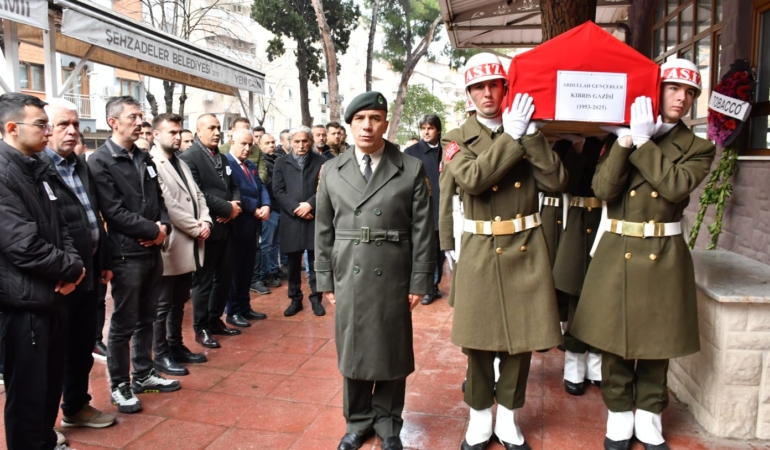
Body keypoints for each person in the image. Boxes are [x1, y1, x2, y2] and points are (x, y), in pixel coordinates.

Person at [570, 58, 716, 450]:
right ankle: (619, 412)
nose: (682, 98)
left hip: (663, 250)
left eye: (690, 92)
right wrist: (624, 142)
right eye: (674, 88)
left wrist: (645, 142)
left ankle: (650, 415)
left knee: (657, 339)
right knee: (614, 337)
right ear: (656, 90)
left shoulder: (699, 147)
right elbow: (603, 189)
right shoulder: (624, 135)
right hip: (618, 246)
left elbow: (674, 186)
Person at [442, 53, 566, 450]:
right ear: (469, 94)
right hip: (480, 247)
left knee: (521, 340)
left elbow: (556, 182)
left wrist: (530, 137)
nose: (486, 93)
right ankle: (479, 417)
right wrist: (511, 138)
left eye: (493, 84)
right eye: (478, 87)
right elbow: (472, 179)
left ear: (506, 88)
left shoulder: (529, 133)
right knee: (479, 341)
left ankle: (509, 418)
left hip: (526, 247)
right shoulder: (456, 138)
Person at [315, 91, 435, 450]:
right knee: (353, 347)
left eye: (375, 118)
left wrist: (420, 279)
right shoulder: (331, 170)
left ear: (385, 123)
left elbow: (422, 230)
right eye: (360, 119)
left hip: (393, 270)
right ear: (350, 125)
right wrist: (324, 278)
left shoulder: (410, 167)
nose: (367, 126)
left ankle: (388, 423)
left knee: (391, 348)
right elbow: (323, 229)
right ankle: (357, 421)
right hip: (348, 269)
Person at [0, 92, 85, 450]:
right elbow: (22, 245)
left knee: (49, 388)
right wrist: (73, 268)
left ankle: (45, 441)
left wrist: (73, 267)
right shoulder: (4, 174)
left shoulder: (38, 168)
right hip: (25, 305)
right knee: (28, 395)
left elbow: (62, 226)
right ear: (12, 128)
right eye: (41, 125)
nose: (49, 132)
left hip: (52, 297)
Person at [89, 96, 179, 414]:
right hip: (126, 254)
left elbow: (160, 200)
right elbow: (113, 211)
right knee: (123, 323)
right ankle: (119, 384)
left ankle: (143, 374)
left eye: (141, 116)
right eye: (133, 116)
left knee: (147, 317)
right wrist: (152, 230)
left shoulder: (143, 157)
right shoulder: (100, 161)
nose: (140, 122)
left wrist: (164, 228)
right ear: (113, 122)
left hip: (152, 250)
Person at [38, 98, 116, 430]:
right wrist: (62, 270)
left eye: (75, 125)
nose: (72, 131)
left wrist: (103, 259)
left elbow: (94, 216)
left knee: (82, 347)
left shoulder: (80, 165)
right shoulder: (37, 167)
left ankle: (76, 406)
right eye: (63, 125)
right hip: (58, 280)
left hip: (88, 273)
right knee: (50, 356)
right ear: (46, 129)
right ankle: (43, 428)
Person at [149, 113, 211, 376]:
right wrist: (196, 227)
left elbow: (198, 195)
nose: (177, 137)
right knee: (163, 304)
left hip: (191, 241)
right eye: (171, 132)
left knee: (179, 300)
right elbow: (169, 204)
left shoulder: (181, 162)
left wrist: (206, 220)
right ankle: (161, 354)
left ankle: (176, 346)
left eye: (179, 132)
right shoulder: (153, 162)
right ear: (156, 135)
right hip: (173, 242)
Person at [179, 114, 243, 349]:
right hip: (208, 228)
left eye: (218, 128)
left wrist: (234, 206)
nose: (217, 132)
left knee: (224, 278)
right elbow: (197, 193)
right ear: (198, 130)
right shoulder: (189, 158)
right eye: (211, 128)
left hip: (228, 227)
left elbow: (234, 186)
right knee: (204, 282)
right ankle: (201, 327)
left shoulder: (222, 157)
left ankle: (215, 319)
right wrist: (226, 208)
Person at [550, 136, 605, 394]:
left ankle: (596, 364)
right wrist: (576, 149)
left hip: (607, 222)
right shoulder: (567, 143)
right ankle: (574, 365)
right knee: (575, 298)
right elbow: (563, 183)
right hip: (576, 223)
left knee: (603, 299)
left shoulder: (618, 141)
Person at [272, 127, 325, 317]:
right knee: (293, 264)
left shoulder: (322, 162)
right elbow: (277, 190)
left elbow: (326, 189)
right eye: (296, 141)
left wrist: (310, 205)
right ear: (290, 143)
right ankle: (295, 299)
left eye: (304, 141)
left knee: (316, 262)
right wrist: (297, 208)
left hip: (314, 218)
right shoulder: (281, 162)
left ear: (310, 141)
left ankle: (316, 299)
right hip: (292, 219)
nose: (301, 145)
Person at [225, 129, 271, 327]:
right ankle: (233, 310)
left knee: (247, 268)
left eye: (250, 144)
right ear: (232, 142)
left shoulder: (250, 165)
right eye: (243, 144)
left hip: (252, 226)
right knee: (235, 270)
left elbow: (261, 187)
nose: (247, 148)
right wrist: (254, 208)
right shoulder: (226, 164)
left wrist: (266, 205)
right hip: (237, 224)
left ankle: (245, 306)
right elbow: (232, 193)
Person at [404, 115, 445, 305]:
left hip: (446, 209)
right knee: (427, 251)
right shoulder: (411, 152)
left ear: (438, 130)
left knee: (441, 252)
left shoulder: (447, 149)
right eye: (423, 128)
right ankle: (428, 287)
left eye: (430, 128)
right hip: (423, 209)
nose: (426, 132)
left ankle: (434, 285)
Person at [253, 133, 282, 290]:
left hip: (278, 207)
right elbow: (269, 185)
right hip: (268, 207)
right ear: (259, 145)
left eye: (273, 142)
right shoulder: (261, 163)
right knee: (266, 243)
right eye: (267, 143)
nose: (271, 145)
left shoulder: (276, 159)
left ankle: (273, 270)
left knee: (275, 243)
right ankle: (265, 274)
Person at [220, 118, 268, 183]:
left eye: (247, 130)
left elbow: (262, 171)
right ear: (233, 130)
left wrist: (255, 184)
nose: (247, 148)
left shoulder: (256, 150)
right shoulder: (221, 150)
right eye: (241, 130)